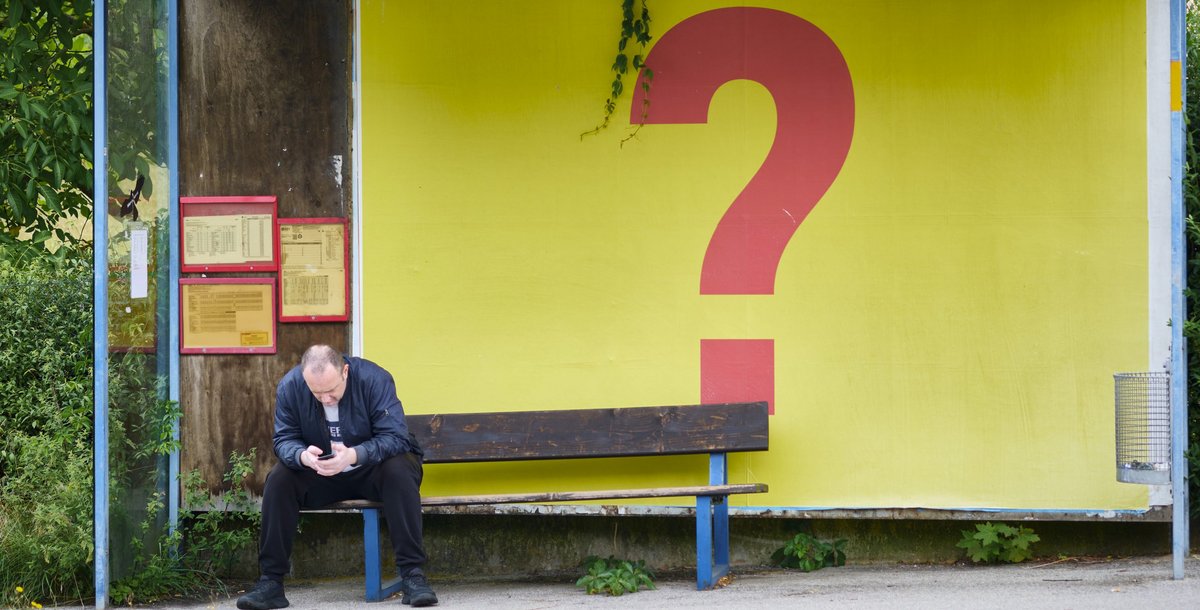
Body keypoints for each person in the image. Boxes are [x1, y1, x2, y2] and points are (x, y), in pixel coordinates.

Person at [237, 345, 438, 609]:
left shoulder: (374, 379)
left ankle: (413, 576)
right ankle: (271, 582)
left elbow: (396, 437)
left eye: (331, 390)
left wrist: (354, 455)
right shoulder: (291, 386)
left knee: (399, 470)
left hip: (372, 469)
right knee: (279, 479)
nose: (326, 399)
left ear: (345, 371)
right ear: (304, 378)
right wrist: (301, 456)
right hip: (322, 471)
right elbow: (284, 439)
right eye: (316, 393)